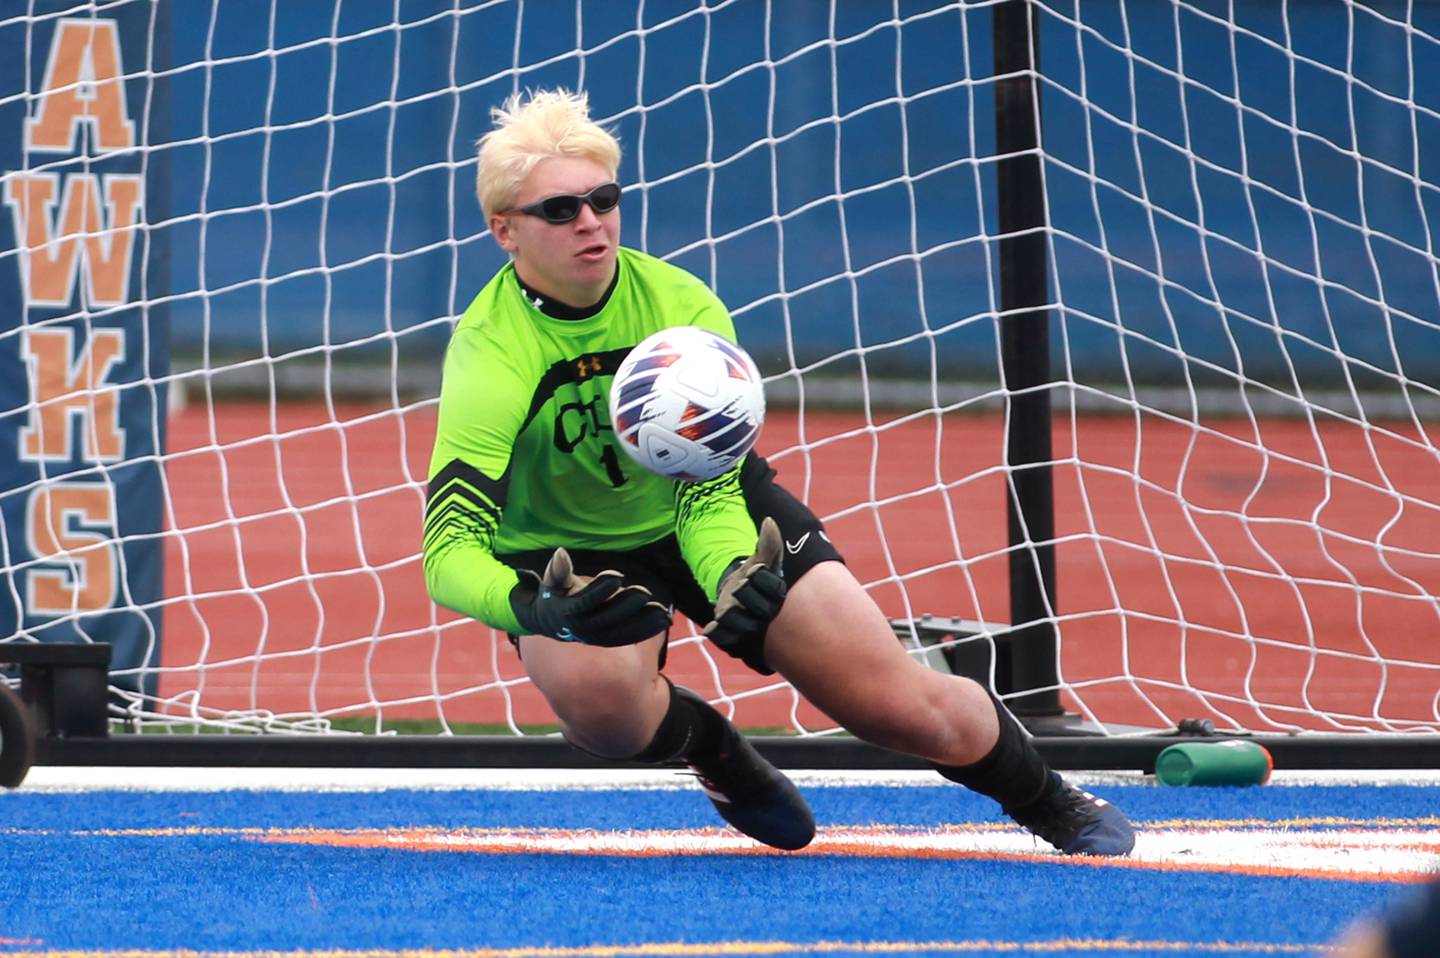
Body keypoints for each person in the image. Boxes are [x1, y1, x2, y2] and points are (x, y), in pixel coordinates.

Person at [422, 87, 1135, 856]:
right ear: (505, 231)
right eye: (560, 210)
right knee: (606, 716)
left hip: (704, 511)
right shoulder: (491, 352)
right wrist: (534, 608)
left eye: (604, 198)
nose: (591, 222)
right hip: (567, 552)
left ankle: (1045, 795)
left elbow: (709, 489)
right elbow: (447, 550)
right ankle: (712, 747)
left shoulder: (681, 307)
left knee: (901, 709)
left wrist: (731, 570)